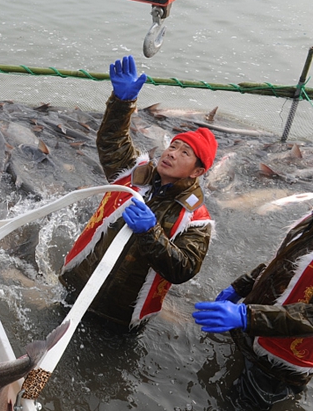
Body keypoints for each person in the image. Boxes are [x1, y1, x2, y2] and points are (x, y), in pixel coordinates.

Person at [58, 55, 217, 328]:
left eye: (184, 153)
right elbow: (112, 142)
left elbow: (184, 268)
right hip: (76, 286)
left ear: (197, 171)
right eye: (173, 146)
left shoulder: (196, 220)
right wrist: (122, 103)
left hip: (121, 314)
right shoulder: (133, 172)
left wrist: (151, 232)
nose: (171, 153)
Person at [193, 211, 313, 410]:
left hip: (280, 364)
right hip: (255, 328)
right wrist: (242, 285)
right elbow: (283, 263)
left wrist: (248, 317)